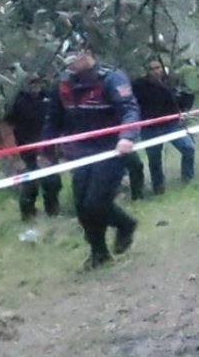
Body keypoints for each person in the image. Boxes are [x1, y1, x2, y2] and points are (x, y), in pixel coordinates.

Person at [41, 43, 141, 270]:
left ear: (88, 53)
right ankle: (99, 252)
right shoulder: (63, 85)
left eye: (74, 57)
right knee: (81, 206)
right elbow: (53, 120)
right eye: (66, 60)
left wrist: (127, 136)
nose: (70, 64)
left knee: (96, 202)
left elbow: (129, 109)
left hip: (112, 149)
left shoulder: (112, 78)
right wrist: (46, 152)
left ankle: (125, 224)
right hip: (80, 152)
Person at [1, 73, 62, 220]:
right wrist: (15, 156)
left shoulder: (49, 97)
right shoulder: (17, 102)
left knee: (52, 182)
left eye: (37, 83)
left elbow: (58, 120)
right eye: (31, 84)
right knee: (30, 186)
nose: (35, 87)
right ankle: (28, 217)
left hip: (47, 150)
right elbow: (6, 129)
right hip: (26, 151)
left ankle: (53, 213)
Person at [132, 57, 196, 195]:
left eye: (158, 68)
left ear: (163, 68)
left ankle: (188, 179)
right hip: (150, 126)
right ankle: (158, 187)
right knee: (154, 158)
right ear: (146, 71)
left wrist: (183, 111)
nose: (155, 71)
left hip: (171, 124)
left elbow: (183, 99)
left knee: (188, 147)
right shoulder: (138, 85)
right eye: (152, 69)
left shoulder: (171, 81)